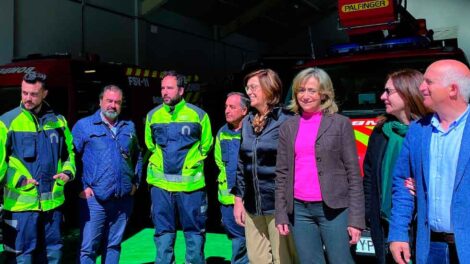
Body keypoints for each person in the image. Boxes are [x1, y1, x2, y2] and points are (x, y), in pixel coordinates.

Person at [274, 67, 365, 264]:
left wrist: (356, 219)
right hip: (299, 210)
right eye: (301, 90)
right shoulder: (288, 127)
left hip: (334, 210)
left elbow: (353, 174)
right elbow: (282, 174)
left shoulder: (341, 124)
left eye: (311, 90)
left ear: (324, 93)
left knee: (342, 261)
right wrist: (281, 214)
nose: (305, 96)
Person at [388, 59, 470, 264]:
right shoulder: (418, 130)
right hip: (431, 246)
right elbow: (402, 183)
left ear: (452, 89)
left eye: (429, 82)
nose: (421, 87)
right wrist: (398, 233)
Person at [0, 71, 76, 263]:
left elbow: (69, 153)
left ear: (45, 93)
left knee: (53, 255)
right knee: (21, 258)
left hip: (52, 207)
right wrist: (18, 180)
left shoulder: (59, 121)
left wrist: (68, 172)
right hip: (20, 207)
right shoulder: (7, 122)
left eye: (33, 94)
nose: (27, 98)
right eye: (24, 92)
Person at [145, 71, 213, 264]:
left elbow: (206, 145)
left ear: (181, 90)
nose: (165, 92)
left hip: (190, 187)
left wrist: (191, 164)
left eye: (170, 88)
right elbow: (150, 145)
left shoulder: (199, 115)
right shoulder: (153, 116)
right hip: (161, 187)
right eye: (163, 88)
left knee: (194, 232)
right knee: (163, 232)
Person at [363, 69, 431, 264]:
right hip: (384, 223)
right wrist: (368, 215)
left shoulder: (430, 131)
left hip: (418, 225)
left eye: (389, 91)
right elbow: (368, 179)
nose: (382, 96)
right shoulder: (380, 132)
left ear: (408, 93)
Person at [232, 69, 296, 264]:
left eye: (253, 87)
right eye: (247, 87)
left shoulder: (288, 120)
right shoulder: (248, 122)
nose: (248, 92)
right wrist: (238, 199)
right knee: (257, 259)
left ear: (269, 90)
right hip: (252, 206)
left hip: (279, 205)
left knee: (283, 259)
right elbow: (242, 163)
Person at [72, 85, 142, 263]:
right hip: (95, 200)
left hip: (123, 199)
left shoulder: (129, 127)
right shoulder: (84, 126)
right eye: (109, 101)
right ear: (100, 101)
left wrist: (135, 183)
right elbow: (70, 157)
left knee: (113, 245)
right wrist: (80, 188)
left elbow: (138, 155)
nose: (113, 105)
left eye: (117, 102)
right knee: (88, 249)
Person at [214, 92, 250, 264]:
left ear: (244, 111)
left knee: (247, 241)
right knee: (238, 238)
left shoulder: (254, 130)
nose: (227, 111)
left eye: (232, 107)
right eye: (226, 107)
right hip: (229, 199)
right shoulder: (222, 133)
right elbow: (220, 163)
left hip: (251, 199)